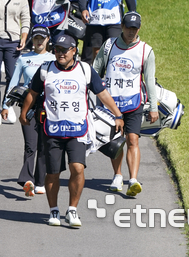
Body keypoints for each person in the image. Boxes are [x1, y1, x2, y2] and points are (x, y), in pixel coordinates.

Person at [19, 33, 124, 228]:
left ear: (74, 51)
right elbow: (32, 93)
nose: (60, 53)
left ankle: (72, 209)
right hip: (52, 130)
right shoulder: (45, 70)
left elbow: (102, 93)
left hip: (77, 130)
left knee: (77, 168)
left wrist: (117, 114)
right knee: (52, 174)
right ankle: (54, 210)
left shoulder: (85, 70)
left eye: (64, 50)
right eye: (57, 50)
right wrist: (24, 113)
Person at [93, 11, 157, 197]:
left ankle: (133, 179)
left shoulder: (146, 50)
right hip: (111, 103)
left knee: (132, 139)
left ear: (139, 29)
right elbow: (96, 71)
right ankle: (118, 175)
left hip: (134, 102)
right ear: (122, 26)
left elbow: (150, 80)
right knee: (115, 141)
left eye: (135, 28)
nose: (131, 32)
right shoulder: (108, 46)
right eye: (128, 27)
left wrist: (153, 106)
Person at [5, 25, 54, 196]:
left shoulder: (54, 59)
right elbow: (13, 82)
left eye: (42, 38)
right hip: (28, 105)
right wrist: (6, 105)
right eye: (36, 38)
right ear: (32, 40)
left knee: (44, 145)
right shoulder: (24, 59)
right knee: (30, 144)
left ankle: (40, 181)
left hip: (49, 107)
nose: (39, 41)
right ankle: (27, 179)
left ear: (48, 39)